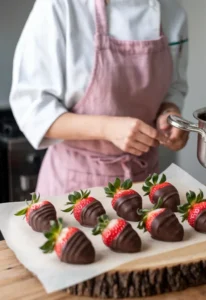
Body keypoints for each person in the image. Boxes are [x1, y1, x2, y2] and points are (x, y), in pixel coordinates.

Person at [9, 0, 189, 196]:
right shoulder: (60, 6)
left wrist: (169, 113)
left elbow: (174, 86)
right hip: (74, 187)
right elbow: (32, 111)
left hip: (144, 183)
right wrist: (107, 128)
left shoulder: (172, 12)